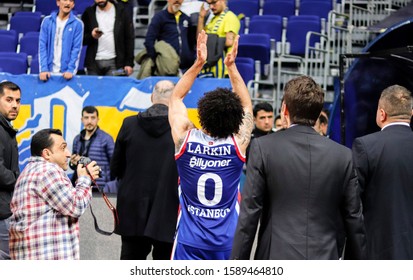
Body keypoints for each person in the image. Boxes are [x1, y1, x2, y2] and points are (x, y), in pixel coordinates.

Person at [231, 75, 367, 260]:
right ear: (318, 113)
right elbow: (354, 220)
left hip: (276, 257)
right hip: (325, 258)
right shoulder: (343, 156)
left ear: (284, 109)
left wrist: (237, 267)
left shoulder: (263, 148)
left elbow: (249, 214)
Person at [169, 30, 253, 260]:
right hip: (226, 241)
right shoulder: (238, 144)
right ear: (235, 120)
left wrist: (198, 63)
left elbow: (176, 98)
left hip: (190, 239)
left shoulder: (184, 140)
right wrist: (232, 67)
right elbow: (246, 105)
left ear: (202, 115)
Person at [111, 80, 179, 260]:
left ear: (151, 98)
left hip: (133, 207)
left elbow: (116, 167)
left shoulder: (128, 124)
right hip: (168, 209)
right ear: (174, 100)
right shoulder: (183, 129)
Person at [9, 128, 101, 260]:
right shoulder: (48, 170)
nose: (68, 154)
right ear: (47, 154)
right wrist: (85, 178)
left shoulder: (28, 171)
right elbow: (76, 205)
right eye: (63, 148)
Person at [352, 85, 413, 259]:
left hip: (378, 251)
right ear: (411, 113)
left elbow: (353, 203)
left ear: (382, 114)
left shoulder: (365, 146)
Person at [138, 0, 196, 78]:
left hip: (186, 68)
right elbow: (149, 41)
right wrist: (157, 61)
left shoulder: (186, 18)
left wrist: (191, 57)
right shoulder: (159, 17)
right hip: (167, 70)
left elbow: (191, 42)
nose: (177, 1)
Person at [81, 0, 135, 76]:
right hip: (93, 64)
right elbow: (82, 39)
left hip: (116, 63)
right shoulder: (89, 13)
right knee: (92, 88)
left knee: (114, 87)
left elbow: (129, 38)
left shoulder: (121, 11)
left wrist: (129, 63)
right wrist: (92, 36)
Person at [69, 106, 115, 192]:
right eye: (86, 118)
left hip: (99, 186)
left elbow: (114, 163)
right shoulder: (77, 139)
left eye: (93, 118)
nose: (89, 121)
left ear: (98, 119)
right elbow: (73, 166)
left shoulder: (106, 138)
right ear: (82, 119)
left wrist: (109, 185)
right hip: (79, 184)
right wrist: (73, 163)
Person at [0, 81, 21, 260]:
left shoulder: (6, 128)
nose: (15, 105)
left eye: (18, 100)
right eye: (9, 99)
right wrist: (19, 180)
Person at [39, 0, 84, 81]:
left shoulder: (78, 24)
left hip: (66, 74)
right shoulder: (47, 21)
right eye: (65, 0)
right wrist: (44, 69)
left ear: (73, 4)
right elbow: (42, 47)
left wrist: (70, 70)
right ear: (58, 2)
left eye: (71, 1)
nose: (67, 3)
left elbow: (76, 49)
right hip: (48, 73)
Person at [197, 0, 240, 78]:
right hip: (208, 67)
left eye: (214, 2)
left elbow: (229, 42)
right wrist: (201, 17)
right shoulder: (213, 19)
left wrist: (211, 40)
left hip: (222, 70)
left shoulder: (230, 17)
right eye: (209, 4)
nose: (211, 7)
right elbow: (200, 39)